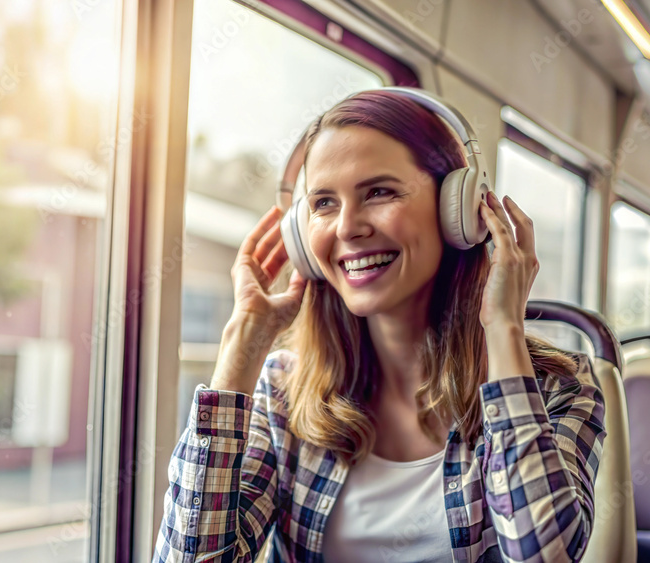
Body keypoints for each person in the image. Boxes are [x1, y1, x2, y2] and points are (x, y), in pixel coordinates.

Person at [153, 89, 606, 563]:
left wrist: (504, 330)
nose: (347, 227)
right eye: (324, 203)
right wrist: (241, 348)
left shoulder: (560, 387)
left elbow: (544, 555)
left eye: (379, 192)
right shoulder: (283, 394)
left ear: (459, 210)